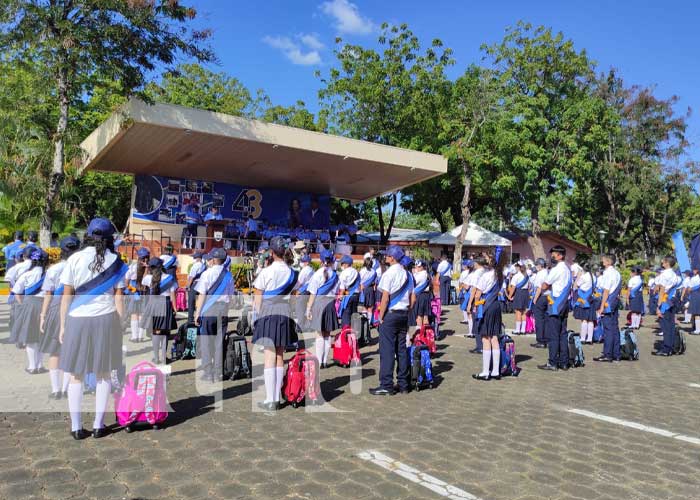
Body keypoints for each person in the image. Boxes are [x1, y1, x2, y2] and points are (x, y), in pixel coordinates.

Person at [59, 217, 128, 440]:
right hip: (106, 319)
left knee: (76, 376)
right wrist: (121, 323)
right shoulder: (116, 261)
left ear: (88, 235)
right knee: (104, 373)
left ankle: (77, 428)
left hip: (77, 320)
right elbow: (119, 298)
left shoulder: (75, 259)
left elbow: (66, 296)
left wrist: (62, 325)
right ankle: (99, 425)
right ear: (109, 238)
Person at [252, 237, 298, 411]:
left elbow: (258, 298)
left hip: (269, 314)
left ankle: (270, 399)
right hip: (285, 313)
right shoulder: (293, 273)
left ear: (271, 252)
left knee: (269, 357)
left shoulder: (266, 272)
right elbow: (294, 295)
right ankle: (276, 397)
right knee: (280, 355)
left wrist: (257, 316)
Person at [369, 245, 414, 396]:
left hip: (390, 315)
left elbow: (385, 297)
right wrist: (407, 310)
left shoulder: (388, 274)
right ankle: (403, 384)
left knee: (387, 350)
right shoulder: (408, 275)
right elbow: (412, 298)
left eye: (387, 255)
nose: (385, 257)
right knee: (401, 350)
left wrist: (380, 317)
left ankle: (386, 384)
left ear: (392, 258)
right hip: (403, 314)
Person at [39, 236, 80, 399]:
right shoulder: (81, 267)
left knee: (55, 352)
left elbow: (48, 295)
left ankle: (56, 390)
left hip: (56, 308)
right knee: (70, 351)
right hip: (76, 307)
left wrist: (43, 315)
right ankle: (65, 389)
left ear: (61, 251)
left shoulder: (53, 269)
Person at [194, 247, 234, 381]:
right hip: (223, 309)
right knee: (219, 342)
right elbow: (230, 296)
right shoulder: (229, 275)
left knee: (206, 341)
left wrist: (197, 313)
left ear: (214, 259)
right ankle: (218, 373)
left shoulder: (207, 273)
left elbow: (202, 295)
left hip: (208, 310)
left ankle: (208, 372)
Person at [12, 248, 49, 374]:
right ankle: (40, 365)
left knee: (30, 337)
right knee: (42, 336)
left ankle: (32, 366)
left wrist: (23, 304)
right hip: (46, 305)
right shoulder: (48, 273)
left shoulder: (27, 274)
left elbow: (16, 292)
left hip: (29, 305)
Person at [538, 246, 572, 371]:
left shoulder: (556, 270)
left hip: (556, 303)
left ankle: (552, 362)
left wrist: (543, 286)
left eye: (554, 255)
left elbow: (545, 285)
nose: (552, 257)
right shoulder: (567, 269)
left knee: (553, 334)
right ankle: (564, 361)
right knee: (562, 333)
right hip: (564, 303)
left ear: (560, 256)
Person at [472, 252, 505, 381]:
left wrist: (475, 305)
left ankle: (486, 372)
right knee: (494, 338)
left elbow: (477, 294)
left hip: (486, 306)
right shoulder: (499, 275)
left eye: (486, 258)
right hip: (496, 305)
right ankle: (496, 371)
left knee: (485, 338)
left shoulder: (486, 275)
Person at [306, 249, 339, 369]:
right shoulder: (335, 275)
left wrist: (308, 309)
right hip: (330, 304)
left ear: (321, 260)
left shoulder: (317, 274)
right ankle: (325, 361)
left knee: (319, 334)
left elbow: (313, 294)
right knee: (327, 334)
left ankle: (319, 361)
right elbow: (336, 291)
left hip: (319, 304)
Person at [141, 257, 177, 365]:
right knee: (165, 332)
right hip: (165, 304)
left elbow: (143, 281)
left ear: (151, 267)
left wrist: (146, 269)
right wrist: (174, 308)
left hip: (154, 304)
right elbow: (172, 294)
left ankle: (156, 357)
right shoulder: (169, 278)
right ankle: (164, 357)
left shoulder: (148, 278)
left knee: (156, 332)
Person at [592, 254, 622, 363]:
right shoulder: (617, 273)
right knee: (614, 328)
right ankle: (616, 353)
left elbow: (606, 291)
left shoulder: (608, 273)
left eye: (604, 260)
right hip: (614, 302)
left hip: (608, 303)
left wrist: (601, 306)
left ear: (608, 262)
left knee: (608, 330)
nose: (602, 261)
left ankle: (607, 354)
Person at [652, 255, 682, 356]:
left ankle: (666, 349)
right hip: (672, 300)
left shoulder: (665, 274)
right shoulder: (674, 274)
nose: (662, 262)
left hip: (665, 301)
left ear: (667, 263)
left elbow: (662, 290)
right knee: (671, 325)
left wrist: (659, 306)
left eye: (663, 261)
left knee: (665, 326)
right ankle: (671, 346)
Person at [124, 247, 150, 343]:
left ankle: (134, 337)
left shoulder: (132, 267)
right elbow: (146, 281)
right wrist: (147, 268)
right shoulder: (150, 267)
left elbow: (126, 283)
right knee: (142, 314)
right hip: (144, 291)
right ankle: (140, 336)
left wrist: (133, 290)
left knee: (134, 314)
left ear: (138, 257)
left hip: (134, 292)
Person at [573, 263, 596, 344]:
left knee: (584, 320)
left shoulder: (583, 276)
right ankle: (590, 339)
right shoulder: (593, 276)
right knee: (591, 320)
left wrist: (578, 276)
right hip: (591, 299)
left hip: (583, 299)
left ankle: (583, 338)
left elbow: (575, 286)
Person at [529, 258, 549, 349]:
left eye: (537, 265)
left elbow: (539, 288)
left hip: (541, 296)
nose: (536, 267)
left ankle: (541, 340)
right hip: (548, 297)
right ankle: (545, 338)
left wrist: (535, 299)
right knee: (545, 319)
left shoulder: (540, 274)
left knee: (539, 320)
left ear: (540, 265)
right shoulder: (547, 272)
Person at [507, 261, 530, 335]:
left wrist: (509, 296)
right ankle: (523, 329)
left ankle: (517, 330)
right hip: (525, 293)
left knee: (518, 312)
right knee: (523, 312)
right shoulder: (526, 275)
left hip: (519, 293)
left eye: (516, 266)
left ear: (518, 267)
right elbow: (529, 286)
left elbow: (513, 288)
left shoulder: (516, 276)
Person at [338, 255, 360, 328]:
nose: (342, 265)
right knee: (354, 312)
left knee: (346, 314)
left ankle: (346, 332)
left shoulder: (343, 273)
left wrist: (340, 297)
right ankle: (355, 331)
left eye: (342, 263)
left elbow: (342, 288)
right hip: (356, 295)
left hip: (348, 295)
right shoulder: (356, 272)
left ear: (346, 264)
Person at [293, 255, 314, 332]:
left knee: (300, 310)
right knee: (306, 309)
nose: (301, 263)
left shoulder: (304, 270)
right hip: (309, 291)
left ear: (306, 262)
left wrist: (295, 290)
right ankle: (306, 326)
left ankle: (300, 327)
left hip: (302, 291)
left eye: (302, 261)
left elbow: (299, 282)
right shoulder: (311, 269)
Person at [412, 259, 432, 333]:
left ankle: (420, 335)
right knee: (425, 316)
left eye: (419, 266)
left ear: (423, 267)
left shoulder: (422, 274)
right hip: (426, 296)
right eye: (416, 266)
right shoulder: (426, 273)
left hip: (420, 296)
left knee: (419, 316)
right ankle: (427, 335)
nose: (417, 268)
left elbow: (413, 282)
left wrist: (414, 273)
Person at [187, 252, 206, 324]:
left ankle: (190, 319)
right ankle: (199, 317)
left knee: (191, 302)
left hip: (194, 284)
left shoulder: (195, 266)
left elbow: (191, 277)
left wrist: (188, 286)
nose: (193, 258)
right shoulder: (204, 266)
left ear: (197, 258)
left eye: (194, 257)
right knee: (200, 302)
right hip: (201, 284)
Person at [359, 254, 378, 327]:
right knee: (370, 307)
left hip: (363, 289)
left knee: (364, 306)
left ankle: (364, 323)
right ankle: (369, 322)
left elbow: (359, 281)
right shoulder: (374, 271)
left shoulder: (362, 271)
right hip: (370, 289)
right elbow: (374, 282)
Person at [627, 266, 644, 330]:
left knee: (633, 311)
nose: (630, 273)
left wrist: (627, 299)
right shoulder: (640, 279)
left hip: (633, 295)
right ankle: (637, 325)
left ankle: (633, 324)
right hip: (639, 295)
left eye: (631, 272)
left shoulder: (632, 279)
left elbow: (629, 290)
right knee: (638, 311)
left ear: (634, 273)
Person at [458, 260, 472, 325]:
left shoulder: (463, 273)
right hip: (472, 290)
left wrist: (460, 288)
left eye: (463, 265)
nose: (462, 266)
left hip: (465, 290)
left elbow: (460, 282)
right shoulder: (472, 272)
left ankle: (466, 318)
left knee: (463, 303)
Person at [687, 267, 700, 335]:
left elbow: (689, 289)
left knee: (696, 313)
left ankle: (697, 330)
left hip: (696, 296)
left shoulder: (694, 278)